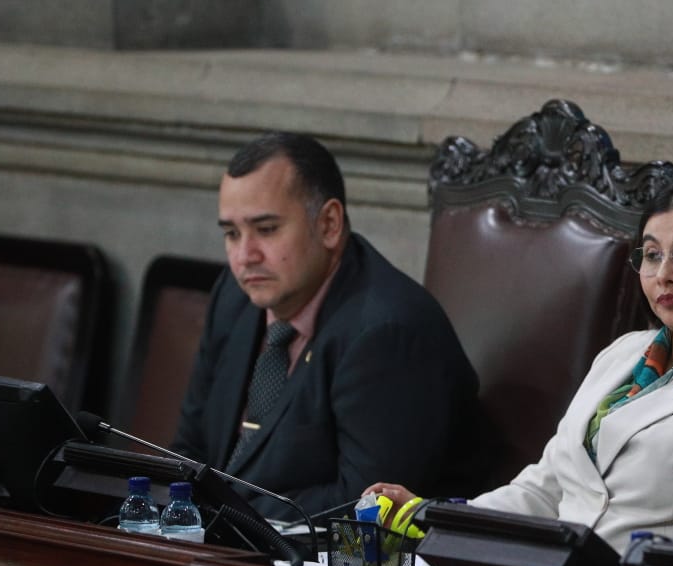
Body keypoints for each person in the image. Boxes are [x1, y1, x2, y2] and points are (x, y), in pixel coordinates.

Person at [368, 180, 673, 554]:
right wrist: (434, 516)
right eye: (652, 255)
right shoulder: (623, 354)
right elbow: (543, 490)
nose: (664, 273)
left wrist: (637, 565)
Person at [174, 131, 481, 522]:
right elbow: (189, 446)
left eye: (266, 230)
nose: (244, 256)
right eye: (232, 234)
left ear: (329, 224)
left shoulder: (388, 332)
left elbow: (363, 508)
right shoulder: (235, 298)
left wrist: (217, 509)